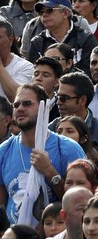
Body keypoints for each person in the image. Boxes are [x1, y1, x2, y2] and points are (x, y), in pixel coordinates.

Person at [0, 84, 86, 223]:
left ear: (43, 107)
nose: (20, 108)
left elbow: (81, 204)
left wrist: (49, 172)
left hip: (55, 237)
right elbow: (1, 205)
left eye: (27, 104)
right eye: (16, 105)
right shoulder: (4, 151)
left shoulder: (68, 149)